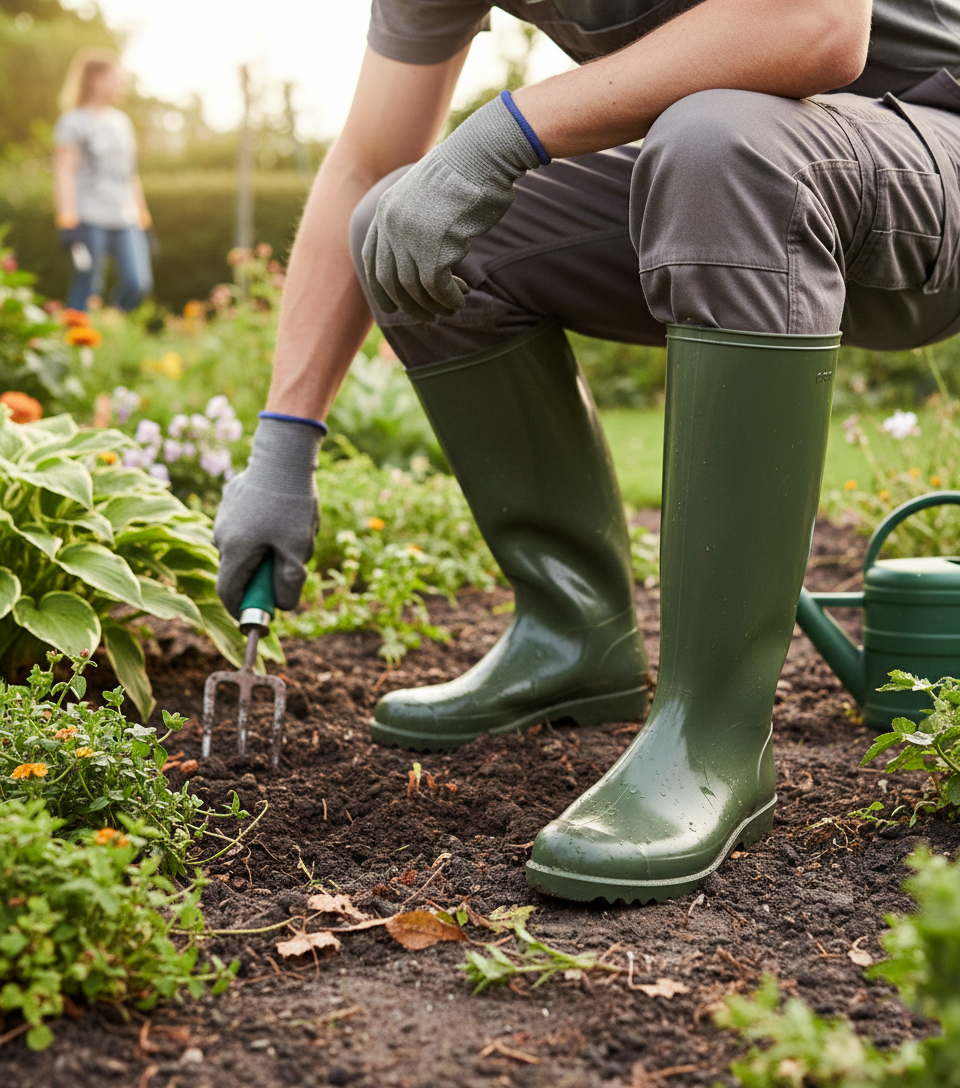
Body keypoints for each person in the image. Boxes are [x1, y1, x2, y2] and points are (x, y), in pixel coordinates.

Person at [214, 0, 960, 904]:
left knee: (718, 140)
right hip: (743, 171)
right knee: (403, 223)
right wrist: (283, 445)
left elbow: (814, 29)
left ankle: (713, 737)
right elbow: (372, 158)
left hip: (927, 141)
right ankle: (573, 631)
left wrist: (507, 128)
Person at [53, 48, 153, 312]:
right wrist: (67, 219)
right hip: (89, 217)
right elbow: (64, 173)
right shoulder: (72, 122)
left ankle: (107, 327)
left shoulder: (122, 122)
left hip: (125, 217)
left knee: (138, 283)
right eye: (117, 78)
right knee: (88, 287)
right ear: (96, 79)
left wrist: (144, 218)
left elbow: (130, 174)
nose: (124, 85)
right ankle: (77, 345)